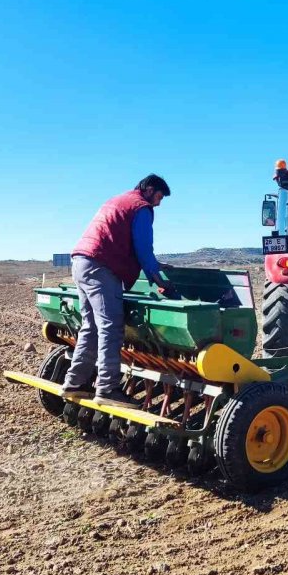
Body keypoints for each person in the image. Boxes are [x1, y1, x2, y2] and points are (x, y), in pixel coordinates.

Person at [59, 174, 178, 408]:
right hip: (101, 268)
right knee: (110, 327)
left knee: (90, 326)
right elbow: (143, 248)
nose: (159, 203)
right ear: (149, 189)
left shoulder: (118, 200)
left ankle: (74, 383)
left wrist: (154, 264)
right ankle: (107, 388)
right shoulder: (141, 207)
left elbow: (120, 240)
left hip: (81, 263)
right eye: (159, 197)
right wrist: (160, 279)